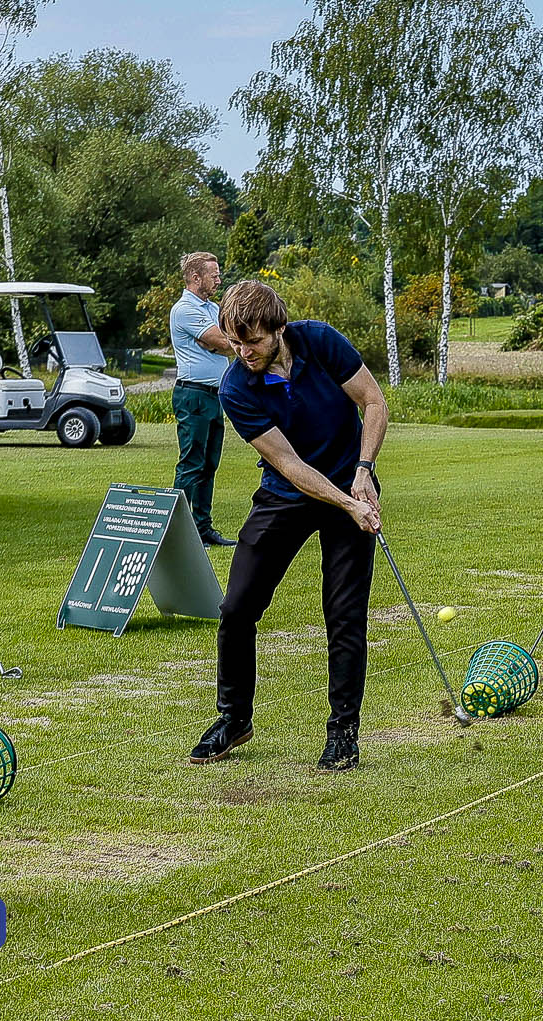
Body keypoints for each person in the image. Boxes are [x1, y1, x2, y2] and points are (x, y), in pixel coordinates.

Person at [189, 281, 388, 772]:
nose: (243, 352)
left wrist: (363, 471)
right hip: (286, 495)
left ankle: (343, 730)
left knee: (345, 615)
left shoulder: (319, 341)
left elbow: (375, 402)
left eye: (252, 342)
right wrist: (346, 502)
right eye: (235, 344)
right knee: (236, 608)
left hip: (350, 482)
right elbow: (289, 464)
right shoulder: (235, 385)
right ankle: (234, 718)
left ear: (278, 329)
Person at [170, 251, 237, 547]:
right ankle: (178, 533)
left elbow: (228, 339)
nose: (219, 280)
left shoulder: (213, 308)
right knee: (191, 463)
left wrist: (220, 344)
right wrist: (219, 343)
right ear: (196, 278)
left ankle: (202, 528)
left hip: (214, 395)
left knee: (209, 464)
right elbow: (224, 342)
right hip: (193, 394)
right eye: (214, 275)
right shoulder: (185, 309)